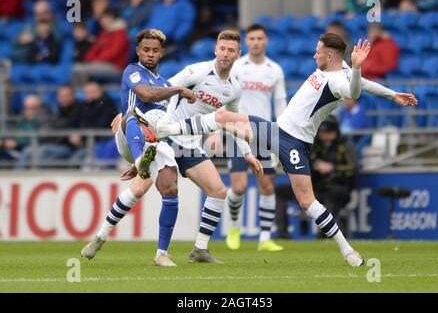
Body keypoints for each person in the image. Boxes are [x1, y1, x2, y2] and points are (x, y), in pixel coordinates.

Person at [150, 33, 418, 267]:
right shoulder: (340, 68)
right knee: (224, 118)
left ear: (329, 55)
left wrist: (359, 70)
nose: (313, 55)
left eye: (317, 51)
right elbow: (364, 84)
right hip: (278, 131)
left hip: (294, 142)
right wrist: (392, 94)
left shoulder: (339, 80)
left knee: (307, 202)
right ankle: (165, 130)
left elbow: (355, 91)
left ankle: (347, 250)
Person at [110, 29, 262, 264]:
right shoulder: (197, 71)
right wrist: (135, 116)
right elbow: (163, 90)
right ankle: (101, 237)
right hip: (167, 137)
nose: (225, 54)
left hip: (190, 143)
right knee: (138, 189)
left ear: (238, 54)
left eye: (231, 50)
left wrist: (248, 154)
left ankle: (199, 250)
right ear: (216, 50)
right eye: (222, 49)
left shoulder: (234, 89)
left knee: (218, 191)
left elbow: (232, 120)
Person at [81, 29, 197, 266]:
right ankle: (139, 161)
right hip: (128, 136)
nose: (150, 54)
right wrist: (179, 89)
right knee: (133, 114)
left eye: (155, 50)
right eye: (146, 50)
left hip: (153, 141)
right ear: (138, 51)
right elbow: (145, 94)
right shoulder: (132, 71)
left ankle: (158, 253)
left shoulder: (164, 84)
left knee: (170, 188)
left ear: (162, 53)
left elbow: (163, 121)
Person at [221, 24, 287, 252]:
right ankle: (234, 228)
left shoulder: (275, 70)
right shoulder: (237, 67)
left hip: (264, 134)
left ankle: (265, 238)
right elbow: (225, 98)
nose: (256, 42)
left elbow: (280, 106)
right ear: (246, 42)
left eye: (260, 38)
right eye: (251, 38)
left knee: (267, 186)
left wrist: (282, 137)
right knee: (238, 187)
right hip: (238, 132)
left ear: (265, 40)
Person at [310, 116, 357, 238]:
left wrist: (332, 168)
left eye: (329, 133)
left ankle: (324, 233)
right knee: (281, 191)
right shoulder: (315, 144)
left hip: (340, 187)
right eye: (323, 133)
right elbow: (307, 162)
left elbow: (354, 168)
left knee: (331, 194)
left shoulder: (345, 144)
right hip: (316, 187)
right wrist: (314, 164)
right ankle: (282, 234)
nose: (325, 136)